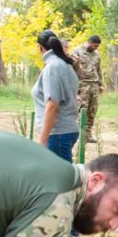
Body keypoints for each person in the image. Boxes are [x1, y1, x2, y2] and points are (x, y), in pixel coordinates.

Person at [33, 31, 80, 162]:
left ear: (40, 47)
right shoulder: (64, 64)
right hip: (63, 131)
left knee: (59, 180)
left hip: (57, 133)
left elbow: (52, 104)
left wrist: (42, 141)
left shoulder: (53, 66)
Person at [73, 35, 105, 144]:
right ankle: (79, 134)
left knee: (92, 110)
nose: (96, 48)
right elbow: (73, 69)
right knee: (82, 109)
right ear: (89, 42)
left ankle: (88, 134)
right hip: (82, 85)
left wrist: (101, 84)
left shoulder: (97, 54)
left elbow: (98, 69)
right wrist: (75, 87)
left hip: (94, 85)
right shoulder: (77, 52)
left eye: (97, 46)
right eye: (94, 45)